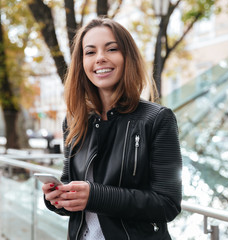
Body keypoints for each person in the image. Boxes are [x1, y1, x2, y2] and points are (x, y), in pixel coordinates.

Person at [41, 17, 182, 240]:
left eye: (112, 49)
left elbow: (167, 204)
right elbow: (70, 186)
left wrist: (95, 196)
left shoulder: (157, 119)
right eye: (90, 52)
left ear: (128, 57)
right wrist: (57, 199)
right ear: (81, 63)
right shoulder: (74, 122)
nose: (100, 58)